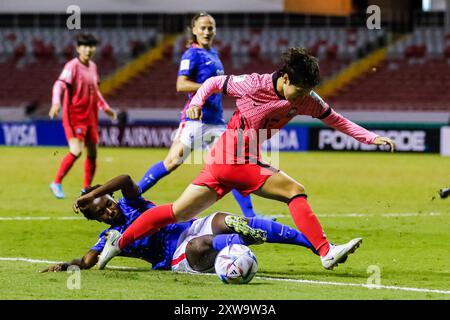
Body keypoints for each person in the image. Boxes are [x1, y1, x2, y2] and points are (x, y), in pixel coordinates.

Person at [97, 47, 396, 271]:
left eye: (308, 92)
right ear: (287, 78)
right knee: (294, 190)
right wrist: (196, 103)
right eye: (300, 90)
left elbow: (337, 120)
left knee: (176, 212)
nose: (302, 97)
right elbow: (214, 83)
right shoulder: (253, 84)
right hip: (234, 159)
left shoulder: (305, 98)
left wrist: (371, 138)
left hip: (223, 160)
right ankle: (325, 251)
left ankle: (118, 243)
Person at [41, 174, 315, 273]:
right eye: (101, 213)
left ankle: (313, 244)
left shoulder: (131, 203)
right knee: (201, 245)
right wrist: (68, 265)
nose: (109, 212)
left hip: (189, 226)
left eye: (108, 204)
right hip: (177, 257)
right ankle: (238, 240)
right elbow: (89, 260)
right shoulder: (109, 237)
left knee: (227, 219)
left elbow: (125, 179)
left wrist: (90, 195)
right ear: (96, 220)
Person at [137, 12, 259, 218]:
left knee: (232, 164)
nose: (207, 31)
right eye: (202, 28)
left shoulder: (215, 54)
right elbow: (181, 84)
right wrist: (209, 87)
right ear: (194, 30)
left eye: (210, 28)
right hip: (195, 119)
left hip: (216, 121)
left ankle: (251, 216)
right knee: (172, 162)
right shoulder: (192, 54)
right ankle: (131, 196)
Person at [48, 33, 117, 199]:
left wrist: (106, 108)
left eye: (91, 46)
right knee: (76, 150)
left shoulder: (93, 66)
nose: (88, 49)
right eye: (84, 46)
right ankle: (56, 182)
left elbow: (95, 91)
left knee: (92, 153)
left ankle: (86, 189)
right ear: (78, 48)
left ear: (94, 48)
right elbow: (59, 84)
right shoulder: (72, 66)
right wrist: (56, 102)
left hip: (91, 117)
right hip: (74, 116)